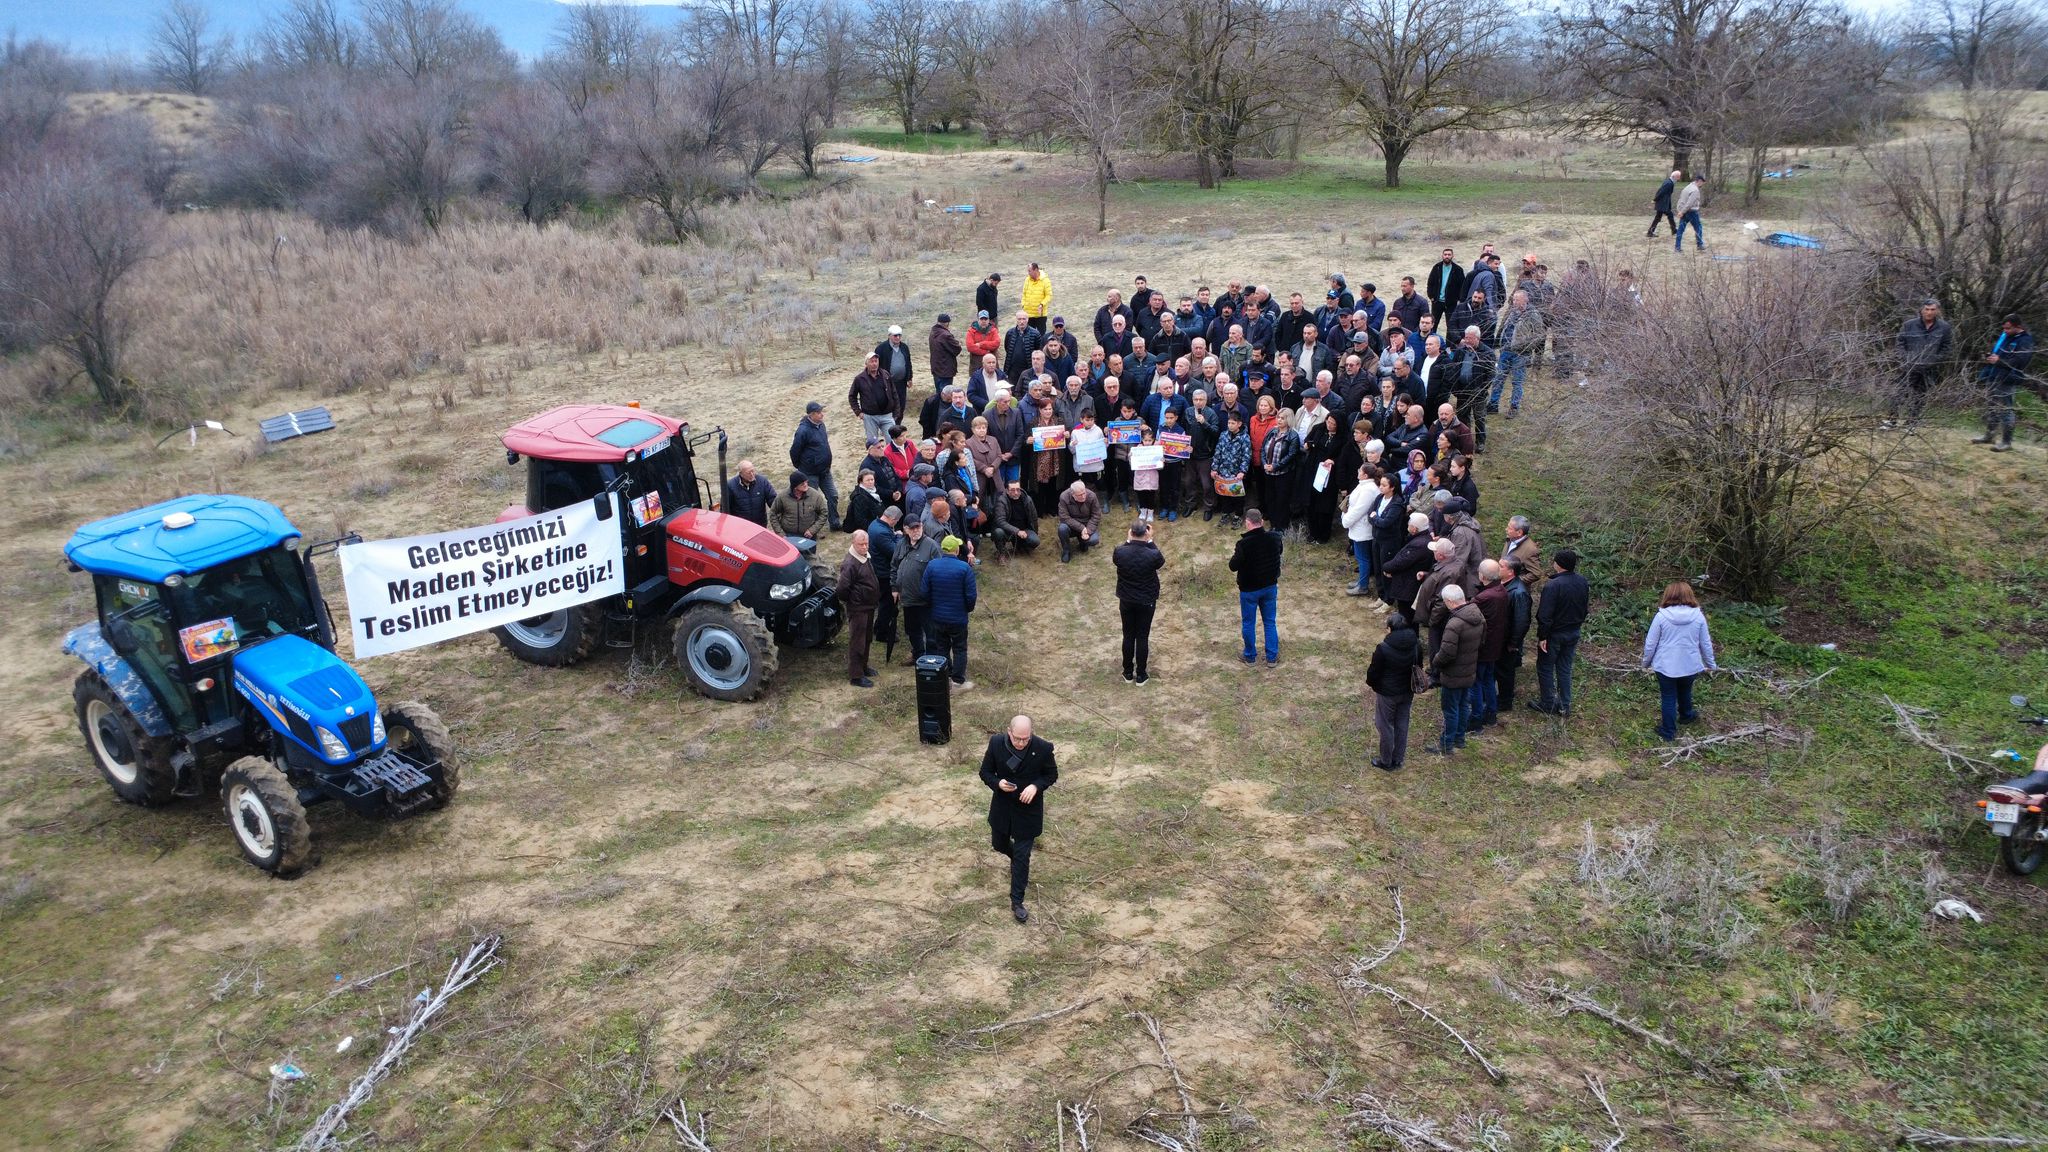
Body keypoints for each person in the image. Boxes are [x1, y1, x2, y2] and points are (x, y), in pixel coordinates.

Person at [981, 715, 1058, 924]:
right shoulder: (996, 743)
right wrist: (998, 783)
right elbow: (985, 772)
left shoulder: (1043, 748)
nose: (1022, 743)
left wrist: (1035, 786)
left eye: (1026, 739)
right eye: (1017, 739)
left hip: (1028, 811)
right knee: (999, 844)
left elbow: (1051, 775)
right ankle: (1016, 860)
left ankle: (1017, 902)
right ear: (1009, 732)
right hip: (1003, 808)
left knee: (1023, 857)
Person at [1643, 580, 1718, 742]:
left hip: (1665, 665)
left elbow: (1651, 643)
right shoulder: (1698, 617)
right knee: (1685, 690)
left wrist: (1646, 662)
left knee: (1668, 696)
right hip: (1690, 664)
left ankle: (1668, 731)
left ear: (1668, 595)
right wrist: (1711, 664)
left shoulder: (1661, 616)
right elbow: (1705, 643)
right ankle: (1686, 715)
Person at [1535, 548, 1590, 716]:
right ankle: (1565, 705)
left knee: (1545, 667)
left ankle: (1548, 703)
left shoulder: (1553, 585)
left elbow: (1545, 614)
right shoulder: (1582, 581)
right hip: (1573, 631)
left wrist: (1543, 636)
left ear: (1558, 564)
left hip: (1555, 634)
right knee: (1565, 668)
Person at [1432, 584, 1484, 754]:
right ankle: (1460, 739)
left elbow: (1447, 653)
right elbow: (1482, 641)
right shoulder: (1478, 616)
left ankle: (1446, 745)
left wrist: (1435, 662)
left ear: (1449, 601)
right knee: (1463, 706)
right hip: (1469, 671)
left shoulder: (1454, 624)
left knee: (1450, 710)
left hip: (1453, 675)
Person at [1366, 614, 1421, 772]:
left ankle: (1386, 761)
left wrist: (1374, 685)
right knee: (1402, 724)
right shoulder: (1416, 644)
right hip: (1407, 690)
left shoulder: (1383, 648)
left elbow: (1373, 672)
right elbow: (1418, 666)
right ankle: (1398, 759)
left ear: (1390, 629)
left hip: (1388, 693)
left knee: (1385, 725)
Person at [1113, 520, 1166, 684]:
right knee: (1142, 637)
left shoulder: (1120, 552)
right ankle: (1141, 674)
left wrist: (1129, 541)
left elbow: (1119, 556)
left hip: (1127, 599)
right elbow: (1160, 562)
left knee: (1128, 635)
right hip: (1146, 600)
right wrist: (1150, 541)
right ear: (1146, 533)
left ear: (1131, 532)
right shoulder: (1152, 554)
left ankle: (1127, 672)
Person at [922, 535, 978, 689]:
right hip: (958, 618)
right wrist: (967, 609)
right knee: (959, 648)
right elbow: (971, 595)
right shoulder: (964, 568)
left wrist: (933, 607)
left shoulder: (932, 566)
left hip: (938, 617)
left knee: (942, 647)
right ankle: (958, 680)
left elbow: (924, 591)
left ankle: (945, 676)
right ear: (957, 549)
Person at [1888, 300, 1954, 428]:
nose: (1929, 312)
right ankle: (1891, 420)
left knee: (1920, 395)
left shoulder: (1944, 327)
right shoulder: (1909, 325)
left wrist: (1934, 360)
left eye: (1932, 310)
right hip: (1909, 366)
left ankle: (1912, 422)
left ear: (1938, 311)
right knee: (1899, 392)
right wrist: (1905, 358)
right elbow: (1900, 343)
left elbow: (1947, 348)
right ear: (1922, 310)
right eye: (1927, 309)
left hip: (1928, 368)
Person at [1230, 508, 1284, 666]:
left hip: (1249, 590)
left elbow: (1233, 566)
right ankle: (1272, 658)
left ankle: (1250, 656)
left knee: (1248, 623)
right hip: (1269, 586)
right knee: (1269, 622)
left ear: (1247, 523)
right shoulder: (1275, 537)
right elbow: (1279, 551)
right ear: (1261, 522)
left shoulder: (1243, 544)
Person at [1974, 313, 2034, 452]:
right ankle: (1989, 435)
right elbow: (2000, 354)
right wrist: (1991, 358)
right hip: (1993, 375)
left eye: (2008, 328)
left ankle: (2007, 442)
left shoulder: (2025, 340)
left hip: (2008, 379)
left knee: (2006, 410)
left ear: (2017, 326)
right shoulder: (2006, 336)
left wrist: (1999, 361)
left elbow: (2020, 361)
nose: (2005, 331)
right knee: (1992, 407)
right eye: (2004, 328)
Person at [838, 529, 881, 687]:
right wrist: (854, 600)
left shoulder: (865, 556)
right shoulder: (850, 563)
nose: (864, 547)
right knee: (858, 641)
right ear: (853, 543)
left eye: (866, 544)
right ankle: (856, 675)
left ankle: (863, 666)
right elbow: (842, 589)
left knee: (867, 638)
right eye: (861, 544)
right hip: (858, 608)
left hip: (868, 605)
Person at [893, 517, 938, 662]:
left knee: (931, 633)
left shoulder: (932, 546)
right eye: (912, 528)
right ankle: (918, 655)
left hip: (925, 600)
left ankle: (931, 660)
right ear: (905, 529)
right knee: (912, 631)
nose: (916, 530)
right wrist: (894, 587)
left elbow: (938, 572)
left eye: (918, 527)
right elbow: (894, 566)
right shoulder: (901, 544)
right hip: (907, 598)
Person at [789, 401, 839, 530]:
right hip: (810, 473)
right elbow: (794, 451)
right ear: (811, 414)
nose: (822, 415)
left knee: (833, 495)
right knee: (811, 502)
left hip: (825, 471)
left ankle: (834, 523)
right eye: (819, 412)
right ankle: (812, 529)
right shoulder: (803, 431)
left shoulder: (821, 425)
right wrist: (802, 467)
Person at [1471, 560, 1509, 729]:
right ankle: (1491, 714)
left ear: (1482, 575)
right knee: (1488, 680)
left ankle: (1477, 717)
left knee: (1477, 683)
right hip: (1495, 645)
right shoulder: (1501, 590)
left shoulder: (1483, 597)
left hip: (1483, 646)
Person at [1340, 464, 1379, 596]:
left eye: (1360, 470)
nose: (1357, 471)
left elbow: (1359, 509)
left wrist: (1346, 520)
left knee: (1363, 559)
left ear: (1365, 475)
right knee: (1360, 557)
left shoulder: (1368, 489)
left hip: (1363, 528)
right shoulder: (1363, 485)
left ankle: (1363, 586)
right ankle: (1361, 581)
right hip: (1358, 527)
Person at [1211, 411, 1251, 523]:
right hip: (1223, 471)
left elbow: (1246, 456)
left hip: (1236, 473)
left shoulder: (1244, 438)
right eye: (1229, 423)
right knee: (1224, 494)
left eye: (1233, 423)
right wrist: (1214, 468)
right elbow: (1217, 452)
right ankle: (1225, 513)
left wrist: (1242, 471)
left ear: (1239, 424)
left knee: (1237, 495)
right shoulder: (1223, 435)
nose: (1230, 425)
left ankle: (1238, 515)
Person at [873, 325, 916, 423]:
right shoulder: (881, 348)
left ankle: (897, 426)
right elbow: (876, 366)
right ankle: (888, 426)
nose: (898, 338)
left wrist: (909, 378)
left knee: (901, 405)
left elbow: (908, 363)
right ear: (889, 336)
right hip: (887, 383)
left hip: (901, 383)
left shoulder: (904, 347)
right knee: (889, 405)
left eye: (899, 335)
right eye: (895, 335)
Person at [769, 471, 827, 539]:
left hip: (809, 535)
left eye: (806, 482)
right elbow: (773, 514)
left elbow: (824, 513)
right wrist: (780, 534)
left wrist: (813, 530)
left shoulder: (815, 496)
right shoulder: (782, 497)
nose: (806, 485)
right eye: (802, 484)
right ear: (795, 487)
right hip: (788, 535)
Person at [1057, 479, 1102, 563]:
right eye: (1080, 495)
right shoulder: (1064, 497)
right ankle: (1066, 550)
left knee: (1094, 540)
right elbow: (1064, 517)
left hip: (1087, 524)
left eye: (1084, 493)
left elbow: (1096, 515)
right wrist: (1081, 528)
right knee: (1062, 529)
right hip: (1071, 524)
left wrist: (1087, 530)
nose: (1083, 496)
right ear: (1073, 494)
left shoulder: (1092, 496)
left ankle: (1082, 542)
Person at [991, 478, 1041, 556]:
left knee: (1035, 541)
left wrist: (1035, 532)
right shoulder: (1001, 501)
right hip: (1007, 531)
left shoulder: (1028, 500)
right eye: (1012, 490)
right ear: (1007, 491)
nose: (1016, 492)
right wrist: (1017, 531)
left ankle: (1020, 547)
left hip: (1024, 530)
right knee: (998, 532)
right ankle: (1001, 553)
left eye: (1018, 489)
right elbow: (1000, 521)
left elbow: (1034, 518)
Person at [723, 460, 775, 526]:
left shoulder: (762, 481)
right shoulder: (730, 486)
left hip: (760, 525)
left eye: (753, 471)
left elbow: (772, 500)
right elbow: (725, 508)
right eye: (748, 473)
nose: (752, 474)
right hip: (740, 526)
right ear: (741, 474)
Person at [1427, 247, 1465, 329]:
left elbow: (1462, 286)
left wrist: (1458, 299)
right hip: (1437, 302)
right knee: (1433, 325)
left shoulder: (1458, 270)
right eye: (1445, 254)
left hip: (1451, 303)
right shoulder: (1436, 267)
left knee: (1451, 325)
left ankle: (1449, 342)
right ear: (1442, 256)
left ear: (1452, 256)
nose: (1447, 256)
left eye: (1449, 255)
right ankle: (1431, 341)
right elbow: (1430, 283)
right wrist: (1431, 297)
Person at [1131, 424, 1161, 524]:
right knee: (1141, 496)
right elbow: (1133, 463)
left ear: (1153, 440)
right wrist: (1131, 457)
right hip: (1140, 478)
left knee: (1150, 496)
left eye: (1149, 440)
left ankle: (1150, 513)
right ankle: (1143, 512)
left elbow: (1160, 465)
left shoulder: (1157, 449)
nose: (1147, 442)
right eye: (1145, 440)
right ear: (1142, 440)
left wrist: (1161, 460)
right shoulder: (1138, 448)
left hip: (1152, 478)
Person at [929, 313, 962, 399]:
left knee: (939, 394)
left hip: (936, 369)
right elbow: (957, 349)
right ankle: (944, 412)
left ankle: (937, 411)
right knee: (946, 396)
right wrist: (958, 344)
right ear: (947, 323)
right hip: (945, 370)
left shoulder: (933, 333)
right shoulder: (946, 335)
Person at [1673, 175, 1706, 252]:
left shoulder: (1688, 187)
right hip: (1691, 212)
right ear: (1699, 181)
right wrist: (1682, 212)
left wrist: (1680, 210)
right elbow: (1689, 203)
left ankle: (1677, 247)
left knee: (1680, 230)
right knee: (1698, 228)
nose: (1702, 185)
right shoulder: (1695, 190)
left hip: (1684, 212)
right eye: (1702, 183)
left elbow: (1681, 199)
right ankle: (1700, 245)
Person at [1021, 262, 1052, 332]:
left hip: (1040, 315)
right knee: (1029, 336)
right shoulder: (1027, 280)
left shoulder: (1045, 280)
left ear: (1036, 270)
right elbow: (1024, 294)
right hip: (1028, 314)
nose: (1028, 273)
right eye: (1028, 271)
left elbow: (1049, 295)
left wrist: (1042, 304)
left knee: (1041, 337)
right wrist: (1023, 305)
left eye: (1030, 271)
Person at [1648, 169, 1679, 237]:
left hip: (1663, 204)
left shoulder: (1668, 182)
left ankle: (1650, 232)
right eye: (1678, 177)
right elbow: (1661, 192)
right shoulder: (1669, 183)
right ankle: (1674, 230)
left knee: (1659, 217)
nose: (1678, 179)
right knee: (1665, 216)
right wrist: (1655, 200)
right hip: (1663, 204)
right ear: (1674, 176)